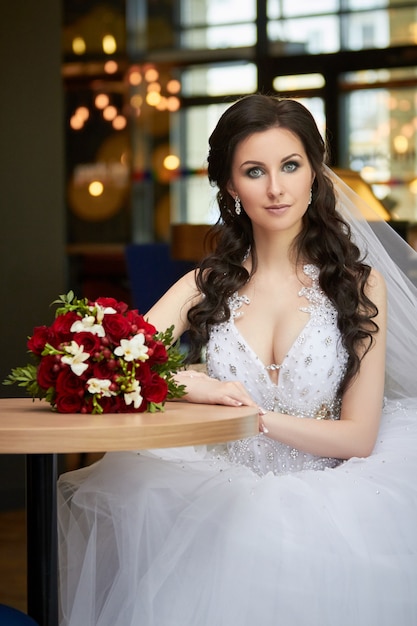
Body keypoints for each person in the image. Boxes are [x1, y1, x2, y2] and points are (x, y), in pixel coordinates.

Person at [58, 94, 417, 626]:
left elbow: (358, 437)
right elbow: (96, 367)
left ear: (314, 174)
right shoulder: (203, 285)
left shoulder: (360, 286)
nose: (276, 188)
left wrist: (251, 419)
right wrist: (186, 385)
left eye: (291, 166)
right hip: (217, 493)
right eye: (255, 171)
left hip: (334, 507)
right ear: (230, 185)